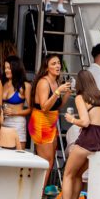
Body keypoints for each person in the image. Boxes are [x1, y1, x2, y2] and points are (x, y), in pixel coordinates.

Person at [54, 70, 100, 199]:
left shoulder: (81, 97)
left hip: (89, 138)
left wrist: (72, 119)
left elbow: (85, 122)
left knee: (67, 174)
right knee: (78, 175)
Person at [28, 54, 71, 186]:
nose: (57, 66)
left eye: (58, 63)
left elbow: (58, 106)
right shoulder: (43, 82)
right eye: (53, 63)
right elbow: (44, 107)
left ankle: (39, 198)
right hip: (41, 122)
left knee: (49, 161)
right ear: (46, 67)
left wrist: (67, 93)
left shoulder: (56, 82)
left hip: (51, 123)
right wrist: (58, 92)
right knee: (46, 162)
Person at [2, 55, 31, 148]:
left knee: (19, 153)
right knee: (3, 153)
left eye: (9, 68)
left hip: (17, 122)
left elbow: (31, 109)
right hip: (3, 122)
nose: (6, 70)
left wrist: (15, 112)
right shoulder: (3, 83)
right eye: (5, 68)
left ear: (15, 68)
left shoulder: (25, 85)